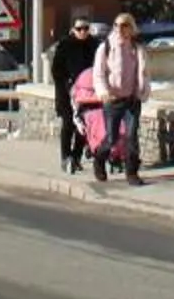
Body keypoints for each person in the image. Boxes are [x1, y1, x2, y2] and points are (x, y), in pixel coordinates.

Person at [89, 11, 149, 185]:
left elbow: (144, 73)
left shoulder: (137, 48)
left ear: (131, 28)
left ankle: (132, 173)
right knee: (111, 138)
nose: (120, 29)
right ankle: (99, 159)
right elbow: (98, 74)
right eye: (116, 25)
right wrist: (104, 92)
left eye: (124, 25)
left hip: (131, 99)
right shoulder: (106, 47)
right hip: (113, 100)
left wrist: (142, 92)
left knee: (131, 137)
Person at [50, 15, 100, 172]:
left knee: (84, 125)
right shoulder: (65, 45)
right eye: (79, 29)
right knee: (68, 124)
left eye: (86, 28)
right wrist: (67, 83)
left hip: (88, 93)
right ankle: (66, 157)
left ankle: (77, 157)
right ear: (73, 30)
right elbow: (56, 70)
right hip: (67, 93)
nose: (83, 32)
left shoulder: (94, 45)